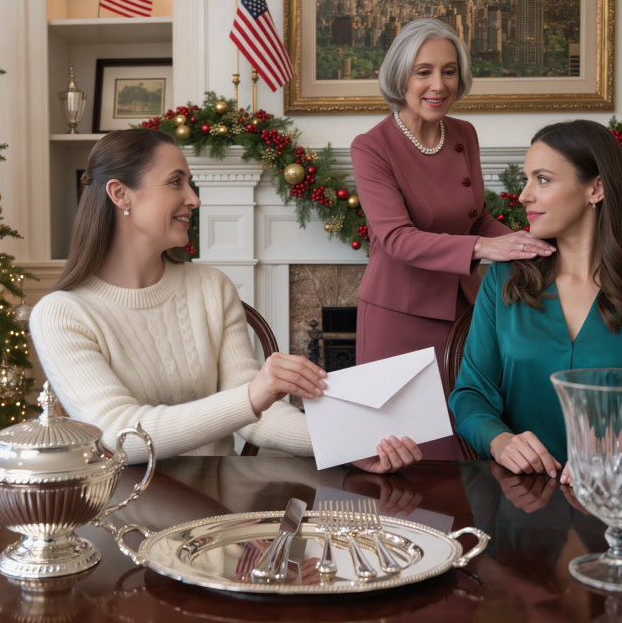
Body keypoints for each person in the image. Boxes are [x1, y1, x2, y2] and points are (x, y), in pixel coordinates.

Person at [30, 129, 420, 472]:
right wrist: (253, 394)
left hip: (219, 508)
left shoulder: (211, 287)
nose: (194, 199)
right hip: (128, 514)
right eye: (176, 182)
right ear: (120, 194)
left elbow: (255, 418)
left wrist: (347, 444)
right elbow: (123, 436)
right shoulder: (62, 314)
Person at [449, 120, 622, 479]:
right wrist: (500, 440)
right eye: (527, 179)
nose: (523, 195)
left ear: (596, 188)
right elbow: (471, 394)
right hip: (519, 501)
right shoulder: (503, 279)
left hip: (619, 500)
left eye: (542, 179)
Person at [350, 18, 555, 459]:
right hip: (398, 317)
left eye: (449, 70)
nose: (438, 85)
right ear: (400, 75)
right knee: (397, 452)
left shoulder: (463, 134)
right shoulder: (371, 147)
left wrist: (524, 243)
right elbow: (396, 239)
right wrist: (485, 249)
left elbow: (475, 217)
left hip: (464, 308)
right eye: (423, 71)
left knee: (458, 442)